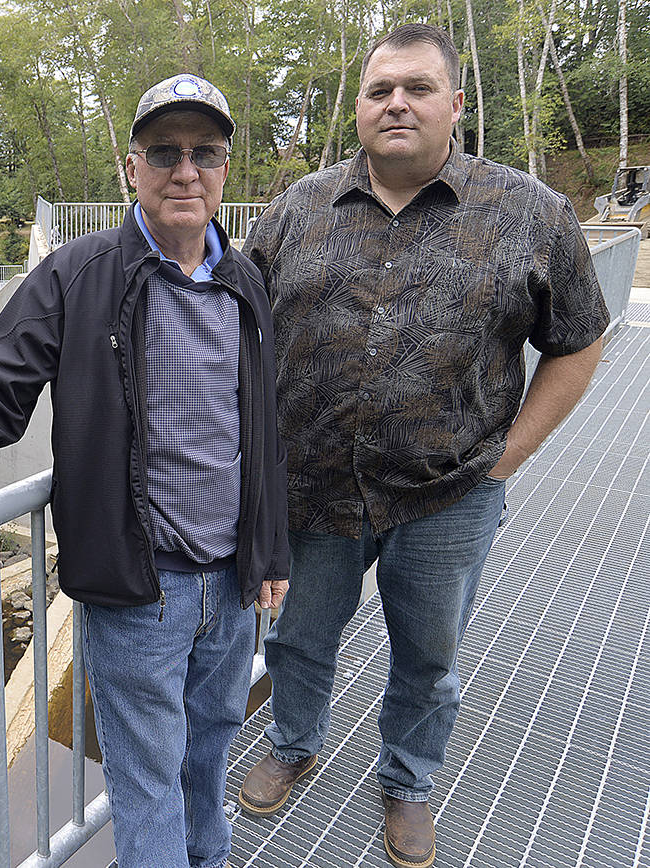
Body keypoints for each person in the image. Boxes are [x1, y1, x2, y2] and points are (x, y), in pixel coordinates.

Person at [0, 73, 290, 868]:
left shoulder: (244, 283)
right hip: (142, 594)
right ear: (131, 168)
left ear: (225, 171)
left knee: (208, 761)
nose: (185, 170)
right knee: (148, 788)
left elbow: (261, 429)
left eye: (204, 153)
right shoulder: (78, 275)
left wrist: (269, 550)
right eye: (164, 152)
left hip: (235, 587)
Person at [237, 23, 609, 868]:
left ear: (456, 105)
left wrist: (507, 460)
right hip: (316, 490)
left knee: (429, 654)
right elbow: (238, 330)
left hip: (453, 490)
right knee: (297, 635)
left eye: (416, 88)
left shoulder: (529, 214)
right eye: (379, 91)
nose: (395, 103)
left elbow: (581, 340)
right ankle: (294, 743)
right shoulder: (297, 209)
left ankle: (407, 783)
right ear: (359, 108)